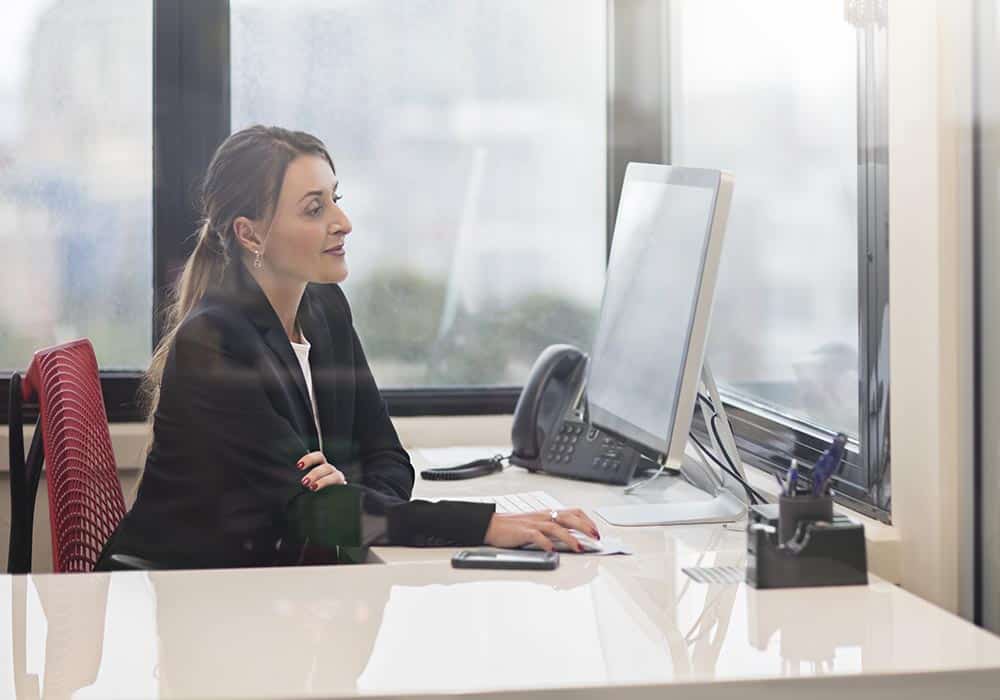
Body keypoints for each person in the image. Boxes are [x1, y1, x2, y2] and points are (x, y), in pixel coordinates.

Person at [97, 125, 599, 569]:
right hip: (183, 597)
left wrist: (349, 502)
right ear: (250, 234)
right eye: (315, 208)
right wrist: (486, 526)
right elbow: (314, 513)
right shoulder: (214, 347)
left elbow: (387, 455)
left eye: (336, 198)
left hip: (270, 589)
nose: (342, 221)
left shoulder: (326, 311)